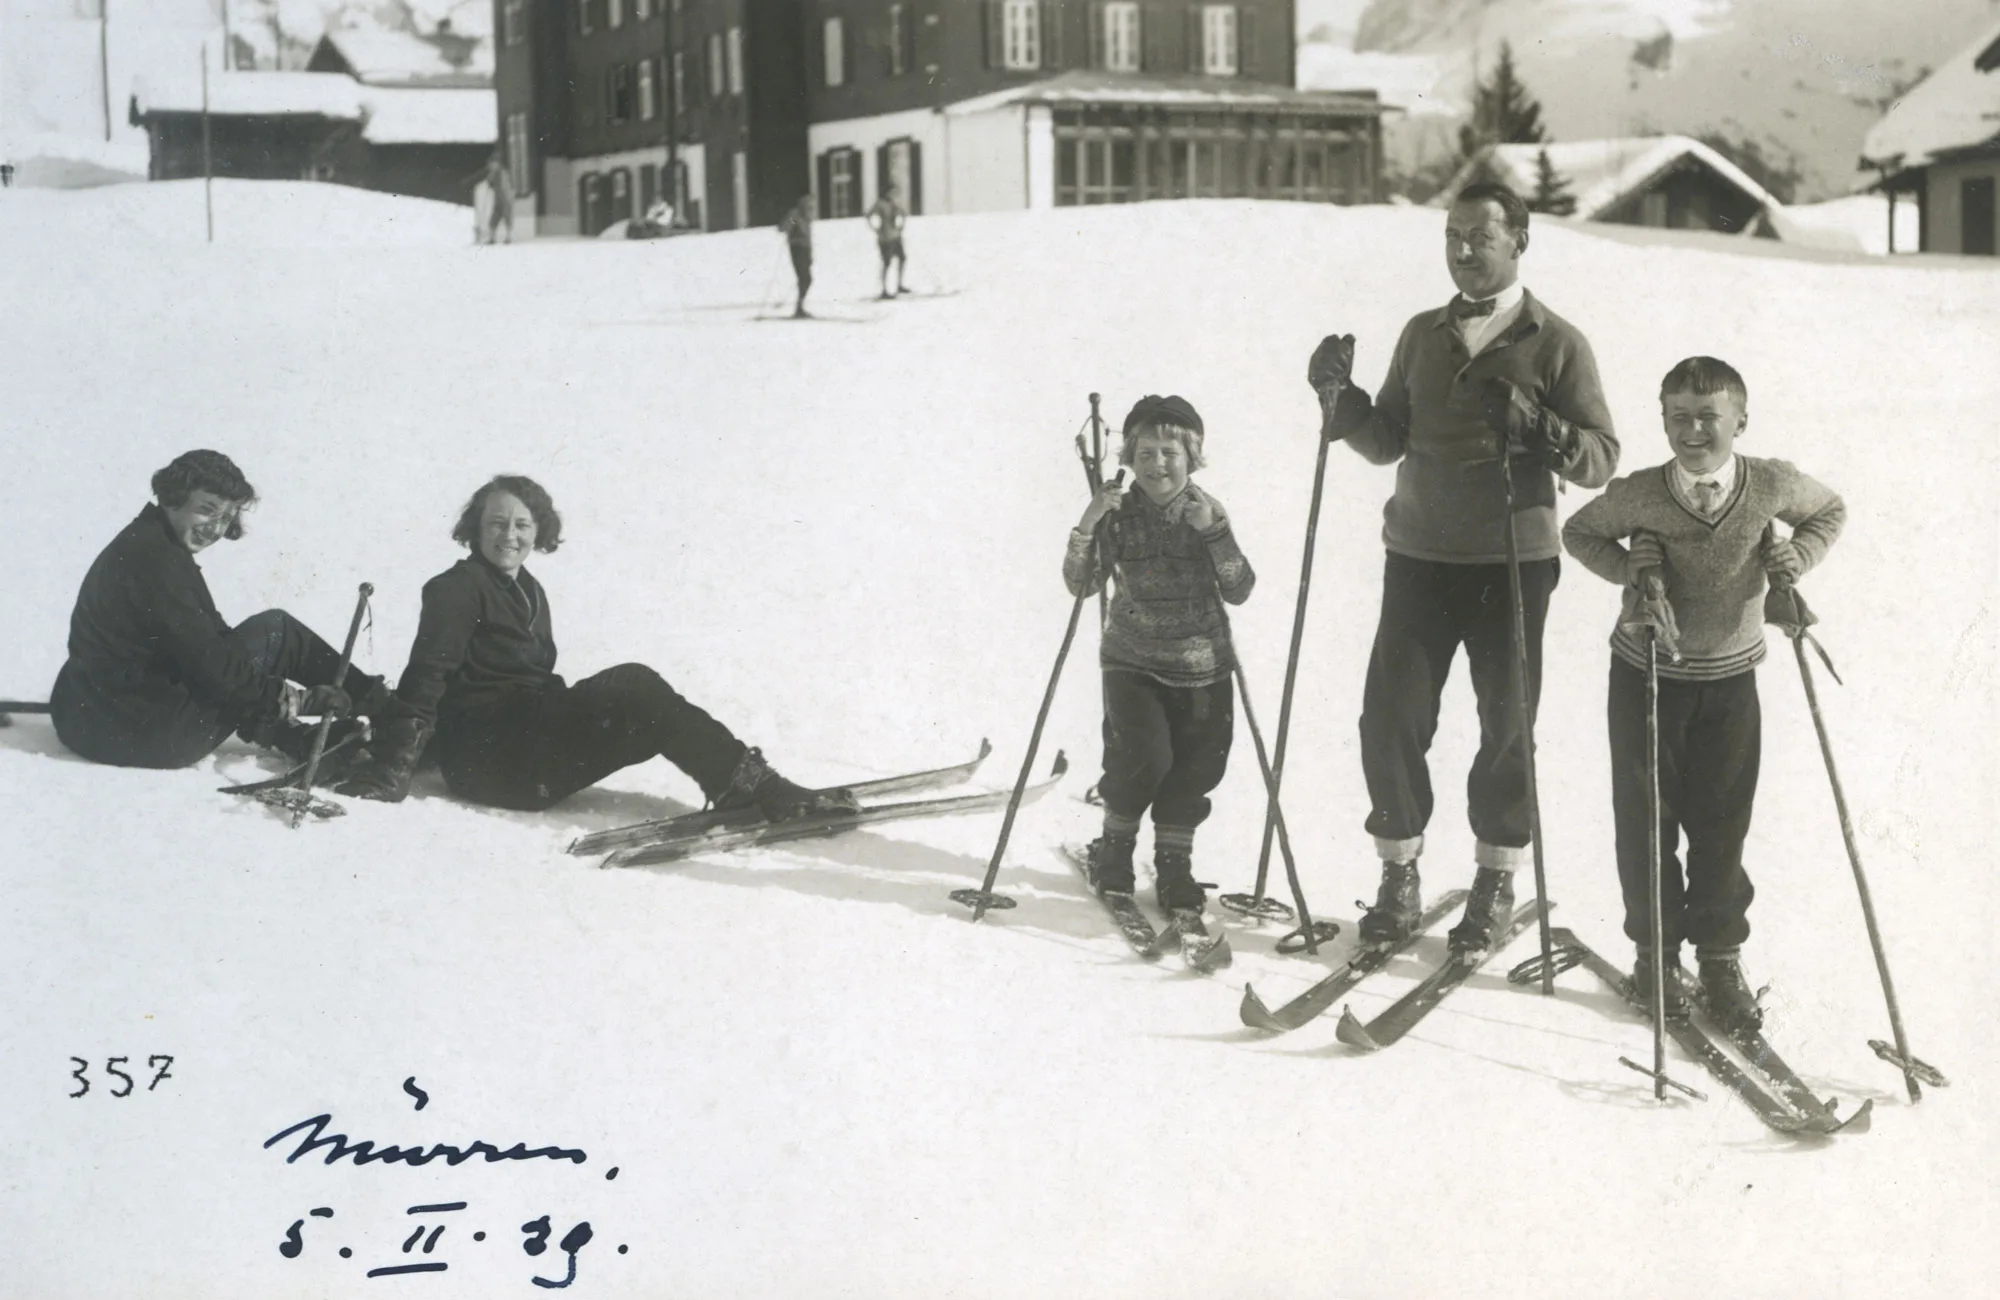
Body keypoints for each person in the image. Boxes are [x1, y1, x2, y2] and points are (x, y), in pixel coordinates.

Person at [1307, 180, 1619, 960]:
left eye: (1480, 235)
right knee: (1392, 716)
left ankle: (1494, 877)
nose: (1463, 249)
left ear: (1519, 240)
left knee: (1506, 724)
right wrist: (1340, 405)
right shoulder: (1421, 334)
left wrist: (1540, 428)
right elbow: (1387, 439)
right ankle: (1399, 872)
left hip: (1512, 562)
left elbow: (1601, 460)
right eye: (1452, 235)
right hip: (1418, 554)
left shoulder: (1558, 342)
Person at [1562, 357, 1844, 1031]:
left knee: (1721, 825)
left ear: (1740, 420)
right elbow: (1579, 532)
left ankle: (1719, 959)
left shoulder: (1770, 482)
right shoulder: (1640, 493)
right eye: (1677, 417)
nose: (1692, 432)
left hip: (1729, 681)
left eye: (1708, 418)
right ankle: (1654, 959)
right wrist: (1631, 571)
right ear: (1662, 419)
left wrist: (1796, 559)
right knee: (1646, 821)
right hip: (1647, 677)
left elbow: (1829, 509)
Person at [335, 474, 856, 824]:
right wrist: (389, 768)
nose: (509, 536)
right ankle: (752, 786)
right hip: (490, 763)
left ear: (539, 531)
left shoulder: (526, 588)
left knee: (640, 691)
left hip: (521, 744)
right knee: (638, 691)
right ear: (475, 528)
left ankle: (744, 781)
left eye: (521, 524)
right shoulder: (456, 588)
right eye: (496, 523)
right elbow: (427, 676)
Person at [50, 450, 397, 770]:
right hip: (147, 737)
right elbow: (214, 665)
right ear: (173, 497)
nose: (215, 528)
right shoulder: (156, 564)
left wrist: (270, 698)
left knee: (240, 655)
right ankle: (392, 716)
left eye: (226, 517)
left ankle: (303, 731)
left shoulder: (149, 541)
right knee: (278, 633)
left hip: (86, 720)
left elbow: (208, 644)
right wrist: (301, 701)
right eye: (206, 509)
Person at [1063, 396, 1256, 921]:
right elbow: (1082, 585)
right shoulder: (1118, 512)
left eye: (1169, 452)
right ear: (1129, 455)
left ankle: (1174, 866)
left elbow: (1239, 587)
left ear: (1191, 456)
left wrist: (1213, 532)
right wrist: (1088, 523)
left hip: (1204, 665)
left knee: (1196, 768)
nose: (1157, 464)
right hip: (1133, 661)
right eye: (1145, 452)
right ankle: (1115, 853)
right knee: (1140, 760)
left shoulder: (1207, 510)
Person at [866, 183, 908, 299]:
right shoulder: (880, 204)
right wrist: (876, 229)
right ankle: (884, 289)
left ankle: (899, 284)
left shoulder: (893, 203)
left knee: (902, 258)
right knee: (886, 262)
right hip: (885, 237)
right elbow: (868, 215)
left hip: (895, 236)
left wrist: (901, 226)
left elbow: (903, 213)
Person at [778, 193, 814, 318]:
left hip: (805, 249)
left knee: (807, 279)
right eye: (807, 202)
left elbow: (809, 237)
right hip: (797, 248)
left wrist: (810, 254)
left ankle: (800, 307)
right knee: (804, 278)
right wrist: (790, 226)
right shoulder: (795, 214)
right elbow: (783, 228)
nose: (810, 205)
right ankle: (799, 308)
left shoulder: (807, 217)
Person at [483, 155, 514, 245]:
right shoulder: (494, 173)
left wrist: (491, 181)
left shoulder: (502, 172)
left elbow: (503, 186)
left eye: (491, 164)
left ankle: (509, 237)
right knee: (494, 218)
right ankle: (492, 238)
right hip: (498, 198)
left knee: (507, 217)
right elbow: (490, 183)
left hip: (505, 198)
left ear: (496, 163)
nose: (490, 166)